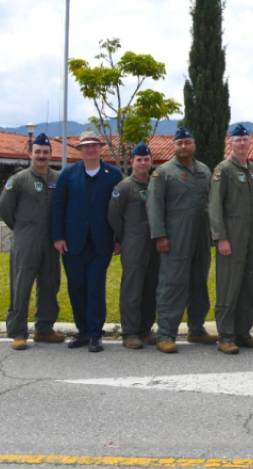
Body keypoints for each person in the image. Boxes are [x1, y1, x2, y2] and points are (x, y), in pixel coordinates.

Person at [51, 130, 121, 353]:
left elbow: (120, 211)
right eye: (86, 146)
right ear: (80, 150)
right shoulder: (68, 174)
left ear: (101, 148)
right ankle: (82, 331)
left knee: (95, 288)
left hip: (101, 242)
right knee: (76, 287)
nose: (90, 150)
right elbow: (58, 207)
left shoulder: (114, 174)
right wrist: (58, 237)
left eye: (94, 146)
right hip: (73, 242)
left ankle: (95, 334)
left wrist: (118, 239)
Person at [146, 126, 214, 353]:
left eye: (187, 142)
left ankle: (196, 329)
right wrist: (160, 236)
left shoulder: (204, 170)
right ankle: (165, 334)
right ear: (173, 147)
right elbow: (154, 206)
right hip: (175, 236)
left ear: (194, 145)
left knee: (199, 282)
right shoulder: (163, 172)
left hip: (201, 236)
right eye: (179, 143)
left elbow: (210, 204)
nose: (183, 147)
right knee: (172, 284)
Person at [0, 133, 65, 350]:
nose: (42, 156)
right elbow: (4, 209)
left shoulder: (58, 179)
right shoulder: (18, 180)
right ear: (30, 154)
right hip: (26, 240)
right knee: (21, 286)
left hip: (51, 241)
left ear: (51, 154)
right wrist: (22, 227)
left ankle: (44, 329)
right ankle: (18, 332)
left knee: (50, 284)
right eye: (38, 152)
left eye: (45, 152)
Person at [208, 123, 253, 354]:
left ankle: (243, 333)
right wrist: (220, 238)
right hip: (231, 236)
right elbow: (214, 208)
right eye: (237, 140)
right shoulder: (223, 170)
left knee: (248, 287)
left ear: (250, 143)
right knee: (229, 287)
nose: (242, 143)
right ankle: (225, 336)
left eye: (245, 140)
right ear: (230, 143)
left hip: (250, 236)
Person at [107, 142, 158, 349]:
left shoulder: (155, 184)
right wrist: (122, 238)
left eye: (146, 159)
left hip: (154, 244)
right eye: (139, 160)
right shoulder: (124, 187)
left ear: (151, 161)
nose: (143, 163)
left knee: (150, 288)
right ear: (132, 162)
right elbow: (113, 216)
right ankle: (129, 332)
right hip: (133, 243)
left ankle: (145, 330)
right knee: (132, 289)